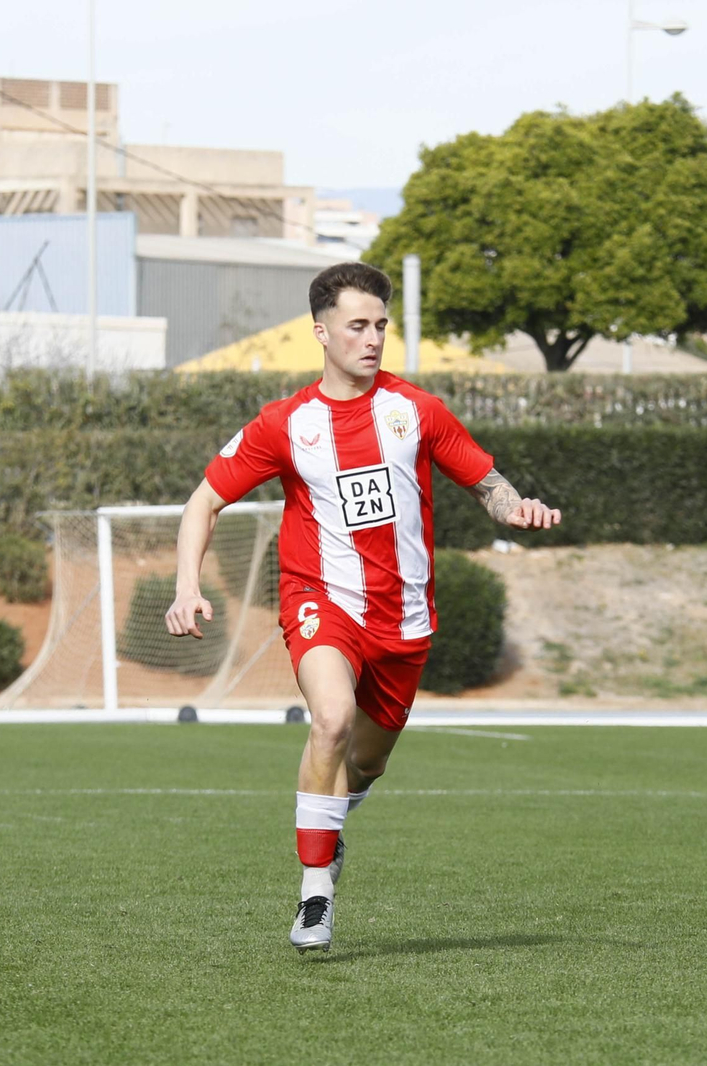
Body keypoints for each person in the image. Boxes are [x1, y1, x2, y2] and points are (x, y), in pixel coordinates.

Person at [164, 262, 561, 954]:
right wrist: (185, 587)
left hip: (404, 621)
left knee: (366, 766)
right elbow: (203, 501)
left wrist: (514, 505)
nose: (373, 338)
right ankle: (315, 894)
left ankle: (330, 828)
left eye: (381, 325)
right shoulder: (285, 423)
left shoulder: (416, 411)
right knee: (331, 721)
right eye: (358, 325)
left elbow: (484, 480)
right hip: (321, 601)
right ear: (321, 333)